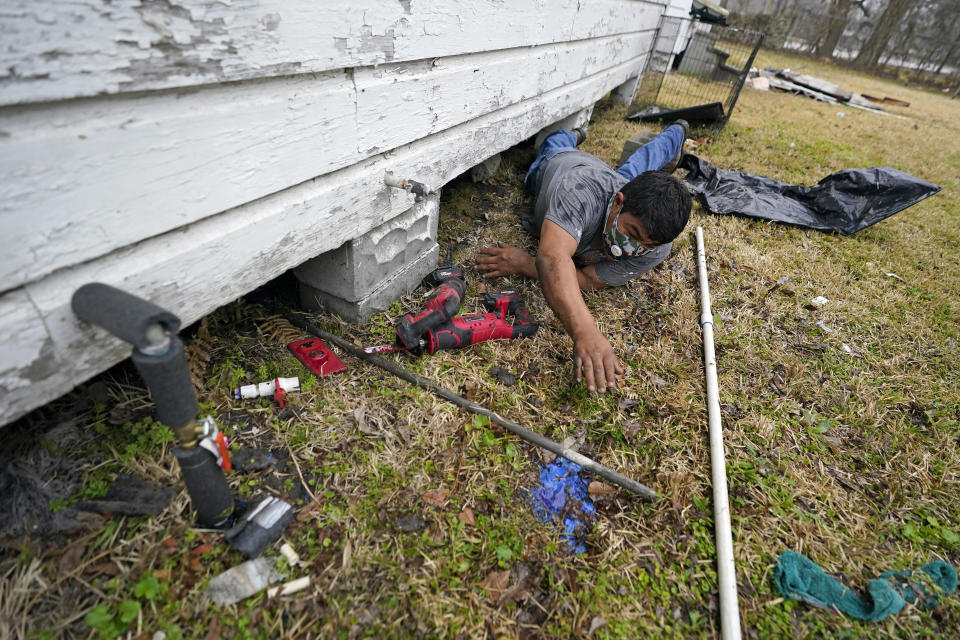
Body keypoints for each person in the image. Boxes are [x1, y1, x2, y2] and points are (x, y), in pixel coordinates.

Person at [476, 120, 692, 394]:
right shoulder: (579, 191)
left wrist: (524, 264)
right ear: (618, 202)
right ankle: (575, 133)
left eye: (645, 245)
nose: (632, 249)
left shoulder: (658, 246)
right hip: (560, 164)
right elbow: (553, 258)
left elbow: (588, 278)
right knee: (552, 143)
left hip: (614, 181)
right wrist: (585, 331)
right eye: (632, 233)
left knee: (636, 169)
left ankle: (678, 131)